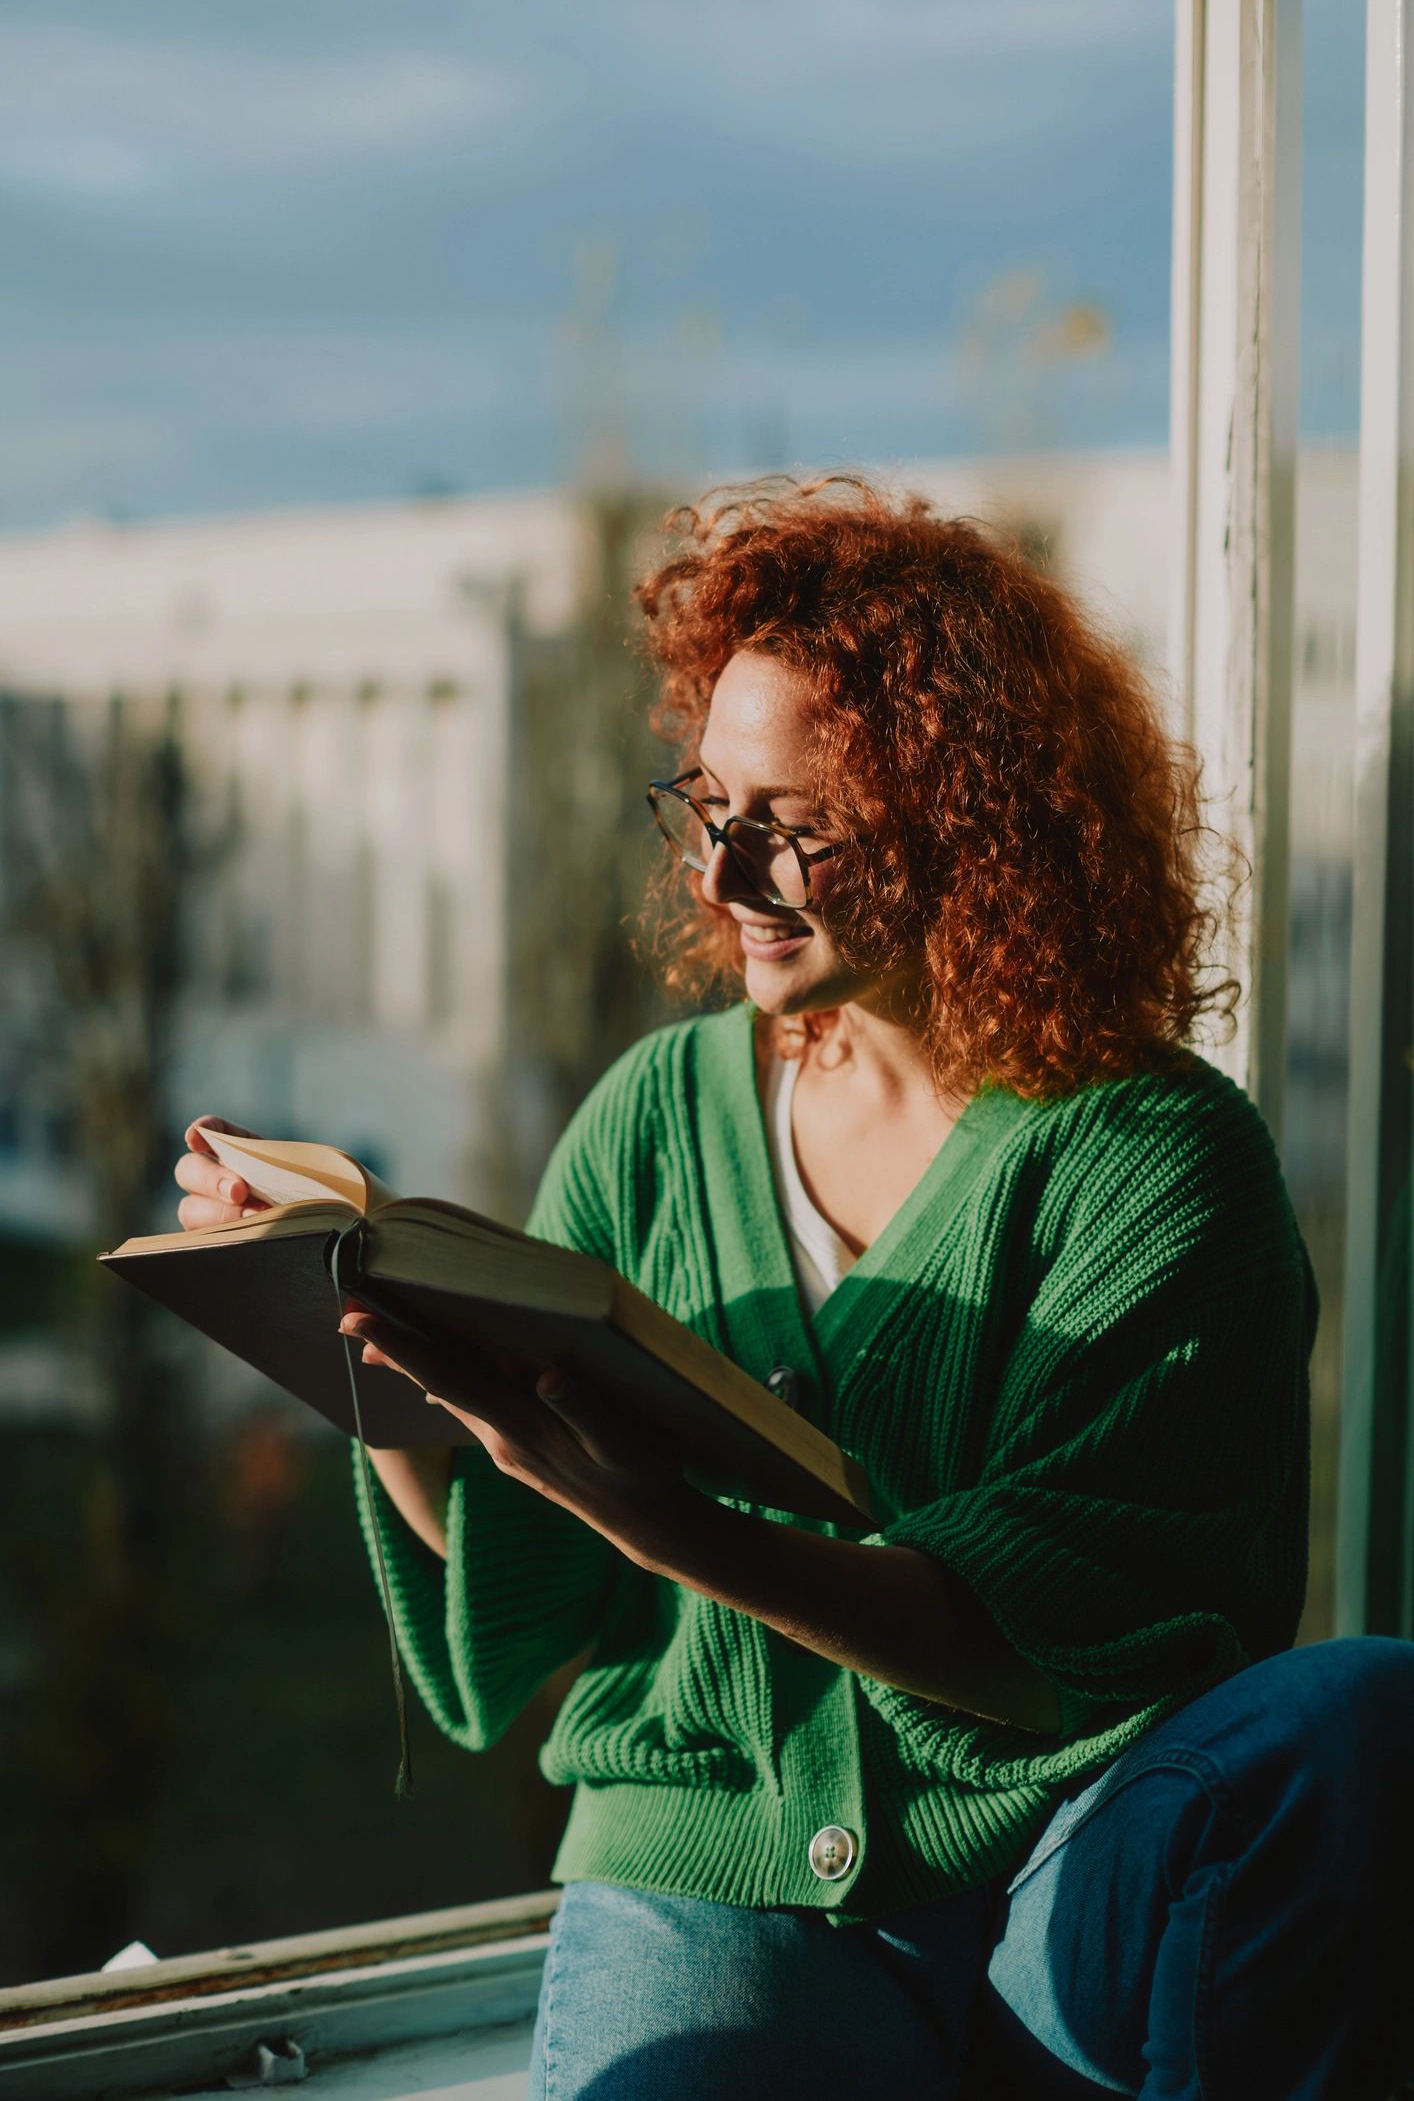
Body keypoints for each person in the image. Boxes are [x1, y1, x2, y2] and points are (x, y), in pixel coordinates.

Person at [174, 476, 1414, 2100]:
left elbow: (1036, 1642)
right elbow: (525, 1574)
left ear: (972, 824)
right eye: (707, 806)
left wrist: (669, 1523)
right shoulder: (656, 1118)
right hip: (719, 1866)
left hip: (1073, 1856)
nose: (722, 876)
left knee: (1359, 1712)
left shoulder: (1158, 1159)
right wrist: (354, 1335)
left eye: (793, 827)